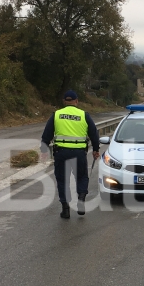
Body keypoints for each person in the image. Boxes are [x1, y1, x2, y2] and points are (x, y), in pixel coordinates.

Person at [40, 90, 101, 218]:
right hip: (79, 153)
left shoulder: (56, 114)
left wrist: (44, 151)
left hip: (61, 152)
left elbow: (46, 135)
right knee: (82, 177)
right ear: (76, 101)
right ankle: (81, 199)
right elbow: (94, 134)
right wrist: (96, 149)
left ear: (64, 101)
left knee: (62, 180)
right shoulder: (84, 115)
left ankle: (65, 209)